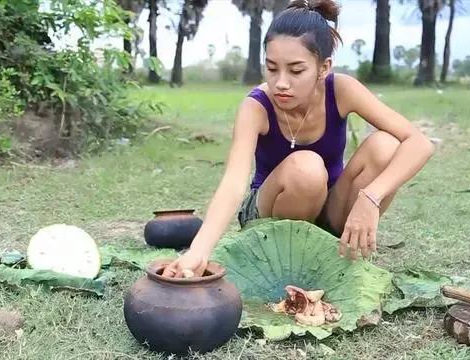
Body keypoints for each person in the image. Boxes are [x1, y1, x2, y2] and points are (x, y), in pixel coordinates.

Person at [162, 0, 434, 278]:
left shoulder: (342, 90)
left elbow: (419, 143)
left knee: (385, 146)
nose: (280, 82)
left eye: (295, 71)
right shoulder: (256, 107)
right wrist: (199, 251)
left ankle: (336, 252)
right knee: (307, 167)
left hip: (328, 209)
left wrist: (371, 197)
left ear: (323, 68)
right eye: (271, 68)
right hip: (269, 216)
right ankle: (289, 263)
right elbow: (233, 183)